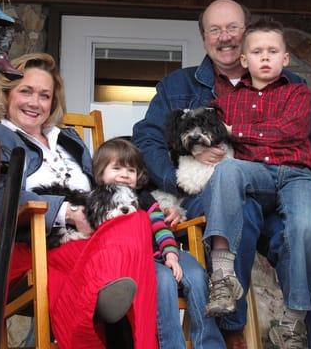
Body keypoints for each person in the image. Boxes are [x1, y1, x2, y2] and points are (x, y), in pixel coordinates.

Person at [132, 0, 311, 349]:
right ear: (203, 38)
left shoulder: (286, 83)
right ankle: (232, 329)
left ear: (247, 36)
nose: (224, 37)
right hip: (213, 198)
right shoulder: (178, 86)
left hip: (277, 194)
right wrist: (176, 179)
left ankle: (309, 339)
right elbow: (147, 137)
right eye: (215, 30)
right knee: (243, 209)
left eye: (232, 28)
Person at [0, 52, 158, 349]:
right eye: (25, 91)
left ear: (53, 102)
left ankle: (107, 289)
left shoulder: (68, 139)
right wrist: (67, 212)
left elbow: (102, 186)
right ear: (6, 94)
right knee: (123, 256)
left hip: (93, 238)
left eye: (44, 95)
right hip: (39, 244)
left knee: (137, 216)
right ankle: (106, 292)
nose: (34, 102)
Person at [210, 17, 311, 347]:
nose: (265, 57)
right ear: (244, 60)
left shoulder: (298, 92)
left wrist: (239, 133)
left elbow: (290, 133)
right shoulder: (227, 98)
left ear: (285, 58)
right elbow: (214, 131)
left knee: (306, 227)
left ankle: (293, 320)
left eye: (273, 51)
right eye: (257, 51)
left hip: (298, 174)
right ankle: (222, 274)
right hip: (254, 171)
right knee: (226, 171)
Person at [92, 137, 226, 348]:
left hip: (164, 249)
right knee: (163, 279)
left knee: (197, 275)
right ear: (100, 173)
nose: (125, 175)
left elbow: (160, 227)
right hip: (139, 259)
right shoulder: (98, 201)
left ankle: (209, 344)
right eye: (117, 168)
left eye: (131, 170)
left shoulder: (145, 199)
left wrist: (171, 254)